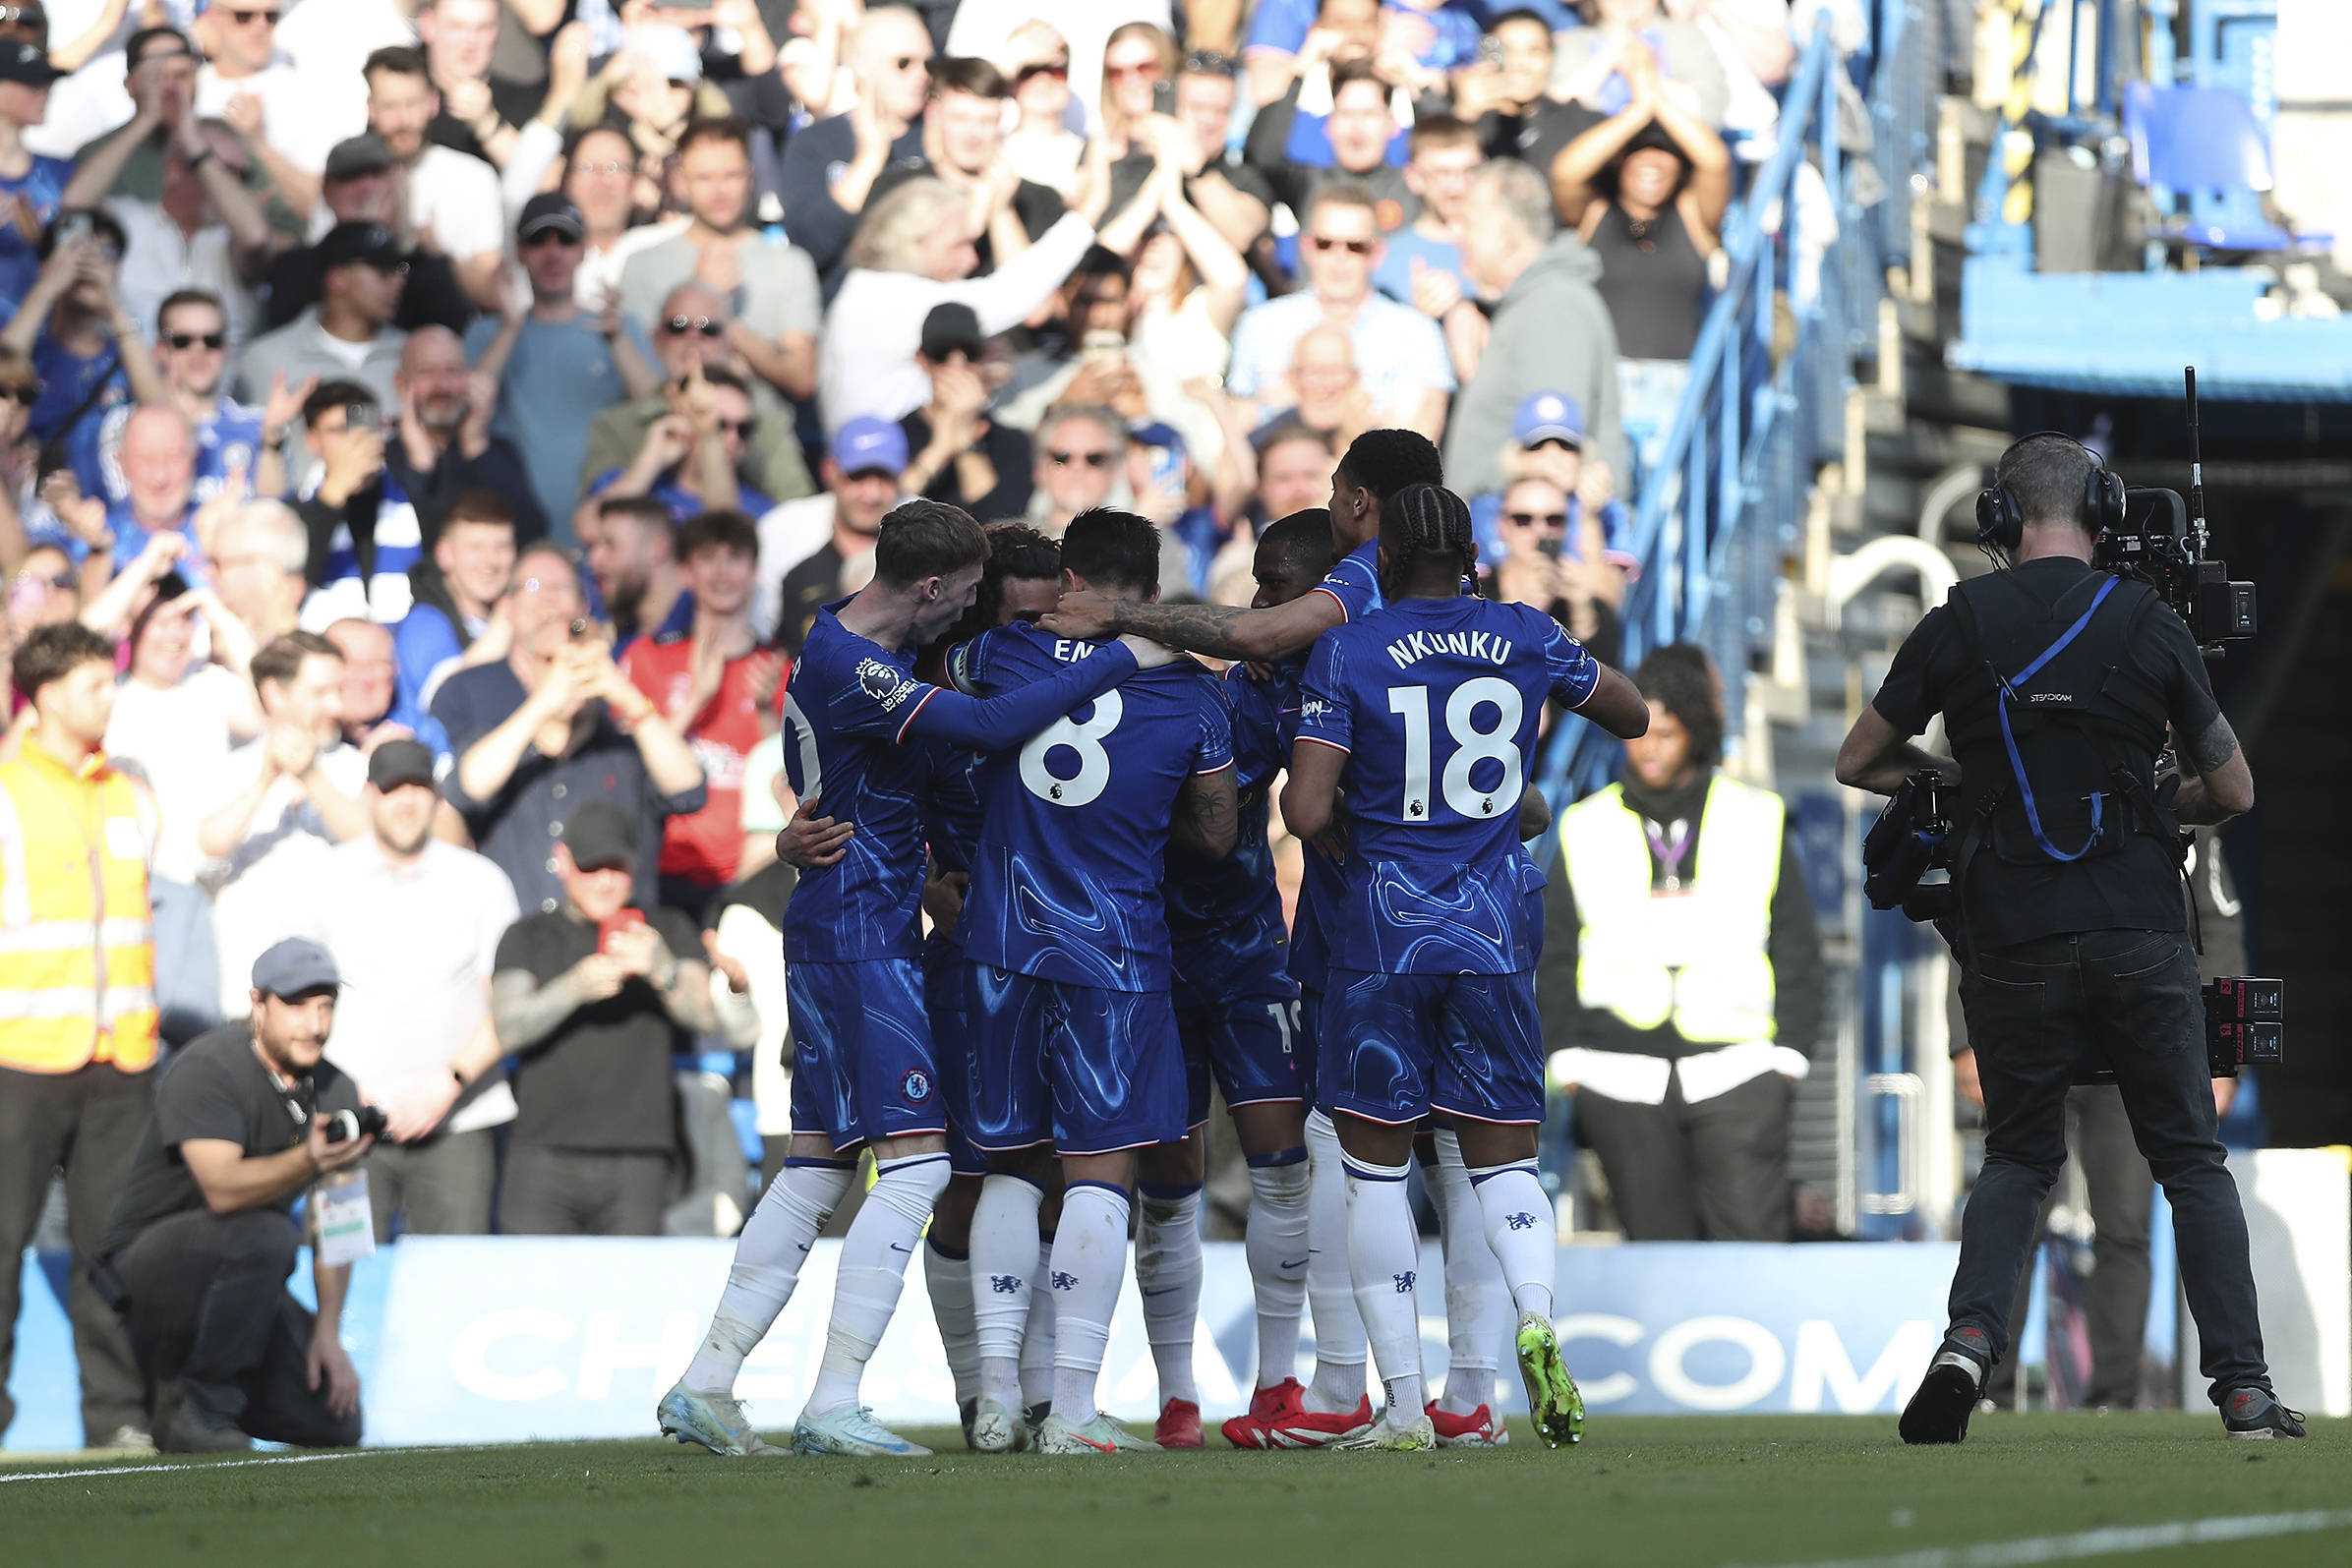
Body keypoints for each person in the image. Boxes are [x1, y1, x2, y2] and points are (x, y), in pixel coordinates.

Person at [657, 498, 1171, 1460]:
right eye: (967, 596)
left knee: (813, 1163)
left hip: (840, 921)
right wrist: (1117, 649)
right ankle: (833, 1397)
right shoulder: (857, 664)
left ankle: (707, 1382)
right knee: (922, 1164)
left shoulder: (834, 645)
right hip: (861, 935)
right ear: (930, 584)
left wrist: (794, 832)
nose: (967, 616)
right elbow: (991, 724)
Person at [1833, 433, 2300, 1441]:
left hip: (2010, 939)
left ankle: (1967, 1342)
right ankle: (2245, 1387)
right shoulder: (2149, 619)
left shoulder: (1956, 620)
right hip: (2137, 929)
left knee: (2016, 1158)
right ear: (2100, 514)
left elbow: (1858, 756)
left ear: (1997, 518)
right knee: (2189, 1163)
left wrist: (1966, 784)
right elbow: (2234, 789)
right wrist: (2155, 795)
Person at [1281, 482, 1649, 1450]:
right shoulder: (1524, 632)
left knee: (1373, 1171)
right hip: (1492, 931)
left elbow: (1308, 813)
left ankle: (1403, 1407)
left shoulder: (1348, 647)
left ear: (1387, 562)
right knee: (1500, 1161)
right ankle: (1531, 1318)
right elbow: (1633, 711)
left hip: (1384, 937)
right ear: (1474, 555)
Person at [952, 506, 1237, 1456]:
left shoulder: (1002, 655)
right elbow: (1219, 834)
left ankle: (996, 1397)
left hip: (998, 939)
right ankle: (1070, 1407)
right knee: (1098, 1174)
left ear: (1066, 578)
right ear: (1152, 594)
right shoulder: (1195, 695)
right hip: (1116, 953)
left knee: (1008, 1162)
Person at [1542, 644, 1821, 1241]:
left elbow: (1797, 944)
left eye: (1665, 734)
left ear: (1694, 732)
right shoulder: (1584, 823)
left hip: (1741, 1067)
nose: (1649, 749)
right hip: (1616, 1072)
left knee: (1750, 1246)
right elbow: (1556, 948)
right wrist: (1566, 1057)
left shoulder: (1758, 814)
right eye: (1637, 734)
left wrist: (1788, 1058)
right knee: (1654, 1248)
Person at [1968, 825, 2249, 1413]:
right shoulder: (2029, 780)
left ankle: (2113, 1396)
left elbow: (2219, 927)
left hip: (2103, 1040)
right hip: (2097, 1024)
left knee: (2120, 1224)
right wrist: (1959, 1042)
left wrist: (2228, 1057)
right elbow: (1971, 912)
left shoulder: (2176, 796)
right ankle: (1991, 1388)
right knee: (2029, 1211)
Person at [91, 935, 370, 1455]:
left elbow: (343, 1219)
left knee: (336, 1421)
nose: (315, 1024)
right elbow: (220, 1190)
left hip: (243, 1274)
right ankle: (205, 1407)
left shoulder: (336, 1089)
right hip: (146, 1271)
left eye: (325, 1006)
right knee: (268, 1235)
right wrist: (309, 1156)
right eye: (296, 1005)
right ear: (257, 1004)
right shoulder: (208, 1067)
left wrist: (329, 1334)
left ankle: (191, 1408)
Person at [0, 621, 156, 1452]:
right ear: (50, 695)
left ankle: (119, 1416)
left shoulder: (127, 791)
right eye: (97, 685)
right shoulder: (4, 790)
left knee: (114, 1252)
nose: (111, 697)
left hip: (121, 1057)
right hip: (18, 1058)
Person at [294, 739, 518, 1240]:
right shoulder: (324, 879)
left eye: (419, 788)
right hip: (349, 1126)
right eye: (393, 789)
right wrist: (345, 1091)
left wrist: (448, 1083)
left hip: (459, 1122)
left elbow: (507, 1005)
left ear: (438, 796)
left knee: (455, 1284)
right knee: (339, 1267)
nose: (407, 802)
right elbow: (298, 1004)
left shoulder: (482, 882)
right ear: (369, 795)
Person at [431, 541, 706, 916]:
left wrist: (624, 693)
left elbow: (690, 789)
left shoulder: (626, 749)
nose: (569, 672)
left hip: (617, 943)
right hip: (522, 948)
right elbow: (464, 789)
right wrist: (544, 701)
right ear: (526, 667)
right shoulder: (502, 742)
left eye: (577, 660)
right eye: (550, 660)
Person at [487, 798, 713, 1236]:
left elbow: (705, 1016)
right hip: (542, 1153)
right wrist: (574, 988)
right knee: (535, 1296)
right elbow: (507, 1029)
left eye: (618, 868)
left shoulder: (667, 927)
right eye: (592, 868)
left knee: (628, 1296)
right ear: (563, 861)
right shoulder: (528, 935)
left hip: (639, 1156)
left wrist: (663, 969)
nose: (606, 882)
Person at [1549, 40, 1731, 476]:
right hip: (1600, 380)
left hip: (1676, 384)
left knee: (1667, 510)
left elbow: (1715, 159)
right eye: (1640, 150)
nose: (1653, 161)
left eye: (1666, 150)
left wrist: (1652, 95)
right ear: (1620, 160)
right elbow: (1565, 171)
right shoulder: (1594, 213)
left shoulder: (1693, 215)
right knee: (1602, 499)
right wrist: (1636, 111)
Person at [819, 173, 1104, 432]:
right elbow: (1014, 294)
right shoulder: (887, 298)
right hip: (883, 476)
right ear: (913, 243)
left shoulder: (868, 288)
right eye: (958, 245)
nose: (972, 260)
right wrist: (1087, 216)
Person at [195, 630, 368, 1023]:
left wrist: (311, 776)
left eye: (339, 690)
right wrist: (265, 781)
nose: (336, 704)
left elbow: (368, 840)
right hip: (247, 994)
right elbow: (208, 845)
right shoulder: (230, 766)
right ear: (275, 694)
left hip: (338, 990)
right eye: (321, 692)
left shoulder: (354, 766)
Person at [618, 508, 783, 917]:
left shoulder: (782, 668)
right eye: (708, 558)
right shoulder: (647, 658)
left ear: (755, 571)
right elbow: (630, 768)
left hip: (752, 870)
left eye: (735, 558)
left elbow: (786, 782)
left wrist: (765, 710)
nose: (722, 572)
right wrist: (696, 698)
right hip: (665, 866)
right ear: (686, 572)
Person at [465, 194, 652, 533]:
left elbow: (656, 411)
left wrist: (618, 340)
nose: (553, 254)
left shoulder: (621, 329)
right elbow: (466, 409)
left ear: (584, 249)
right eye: (539, 241)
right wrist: (510, 327)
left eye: (566, 240)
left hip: (606, 534)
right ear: (520, 251)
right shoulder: (488, 332)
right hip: (513, 534)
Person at [1441, 159, 1623, 498]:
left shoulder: (1554, 306)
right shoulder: (1534, 302)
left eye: (1468, 221)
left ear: (1508, 235)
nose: (1456, 234)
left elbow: (1554, 457)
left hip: (1527, 538)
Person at [617, 117, 819, 417]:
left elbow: (802, 378)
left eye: (731, 175)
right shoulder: (642, 263)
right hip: (670, 440)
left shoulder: (790, 265)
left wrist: (718, 318)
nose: (719, 190)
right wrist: (703, 293)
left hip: (761, 447)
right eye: (704, 178)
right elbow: (639, 376)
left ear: (751, 176)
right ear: (681, 181)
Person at [576, 282, 814, 534]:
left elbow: (798, 517)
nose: (694, 338)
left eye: (708, 328)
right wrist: (652, 459)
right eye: (678, 326)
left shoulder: (764, 425)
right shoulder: (617, 425)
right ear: (657, 340)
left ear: (728, 341)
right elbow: (590, 526)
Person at [1225, 185, 1451, 441]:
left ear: (1377, 253)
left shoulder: (1417, 334)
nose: (1339, 258)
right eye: (1325, 244)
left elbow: (1422, 449)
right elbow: (1237, 437)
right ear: (1307, 247)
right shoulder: (1260, 326)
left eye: (1355, 247)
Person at [62, 87, 276, 348]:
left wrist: (194, 145)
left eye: (239, 175)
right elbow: (74, 203)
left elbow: (256, 238)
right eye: (218, 169)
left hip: (216, 385)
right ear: (175, 168)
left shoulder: (235, 240)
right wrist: (144, 122)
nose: (227, 184)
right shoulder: (128, 218)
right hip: (128, 380)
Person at [5, 210, 166, 504]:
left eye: (105, 254)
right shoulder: (29, 350)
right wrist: (47, 286)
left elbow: (162, 415)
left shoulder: (130, 357)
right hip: (36, 518)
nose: (90, 264)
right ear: (48, 264)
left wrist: (114, 305)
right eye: (77, 251)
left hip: (115, 519)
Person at [773, 4, 934, 281]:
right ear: (862, 68)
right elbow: (808, 247)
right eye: (904, 63)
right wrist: (869, 160)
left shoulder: (938, 138)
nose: (923, 75)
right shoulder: (814, 142)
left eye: (929, 64)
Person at [93, 288, 288, 511]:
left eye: (211, 340)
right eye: (182, 341)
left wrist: (271, 437)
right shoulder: (124, 424)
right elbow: (133, 510)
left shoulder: (260, 424)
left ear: (226, 350)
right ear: (161, 351)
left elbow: (275, 516)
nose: (199, 350)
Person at [260, 134, 473, 336]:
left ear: (399, 183)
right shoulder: (297, 266)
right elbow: (288, 332)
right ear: (326, 192)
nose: (366, 187)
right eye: (350, 177)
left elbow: (451, 331)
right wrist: (363, 239)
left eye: (377, 173)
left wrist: (400, 242)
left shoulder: (422, 264)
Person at [356, 46, 502, 313]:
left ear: (433, 102)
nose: (402, 120)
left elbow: (492, 294)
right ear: (371, 108)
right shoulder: (350, 178)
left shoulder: (475, 178)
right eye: (389, 106)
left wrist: (436, 254)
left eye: (412, 104)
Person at [233, 221, 408, 436]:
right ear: (337, 278)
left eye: (402, 269)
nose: (399, 281)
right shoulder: (266, 358)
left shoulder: (414, 354)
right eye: (383, 271)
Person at [380, 324, 547, 547]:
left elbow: (530, 535)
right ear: (400, 384)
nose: (442, 386)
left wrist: (476, 445)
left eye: (453, 371)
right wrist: (420, 467)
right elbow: (400, 544)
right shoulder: (382, 459)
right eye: (426, 372)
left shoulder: (496, 451)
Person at [390, 487, 515, 761]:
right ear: (445, 554)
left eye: (502, 547)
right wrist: (508, 623)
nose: (491, 561)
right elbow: (444, 694)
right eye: (476, 547)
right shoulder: (424, 623)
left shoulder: (506, 615)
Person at [289, 378, 423, 629]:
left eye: (363, 427)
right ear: (312, 441)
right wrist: (334, 492)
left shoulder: (410, 498)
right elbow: (294, 580)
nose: (354, 440)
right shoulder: (297, 511)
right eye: (339, 430)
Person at [582, 364, 767, 534]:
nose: (733, 438)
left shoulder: (761, 512)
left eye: (743, 429)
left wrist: (709, 440)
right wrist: (652, 459)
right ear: (681, 418)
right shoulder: (635, 483)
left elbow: (726, 539)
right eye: (719, 425)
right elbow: (590, 528)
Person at [896, 303, 1030, 525]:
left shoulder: (1011, 441)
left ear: (983, 358)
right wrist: (939, 448)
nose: (957, 366)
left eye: (969, 354)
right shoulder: (896, 435)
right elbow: (886, 509)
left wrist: (965, 439)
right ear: (921, 360)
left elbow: (999, 520)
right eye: (942, 355)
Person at [1372, 113, 1481, 308]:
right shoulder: (1386, 260)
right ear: (1414, 178)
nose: (1458, 186)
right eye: (1442, 173)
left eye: (1469, 170)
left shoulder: (1505, 249)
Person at [0, 37, 71, 311]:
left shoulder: (63, 172)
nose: (46, 91)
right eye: (31, 83)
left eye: (47, 83)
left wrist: (42, 241)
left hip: (49, 339)